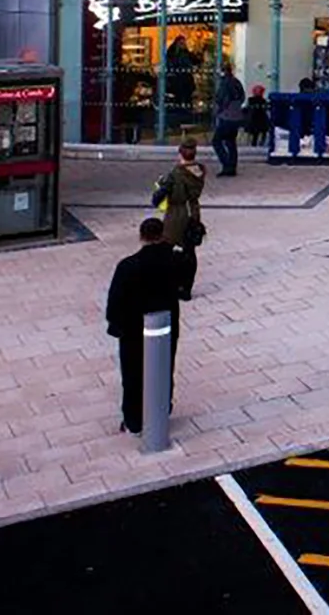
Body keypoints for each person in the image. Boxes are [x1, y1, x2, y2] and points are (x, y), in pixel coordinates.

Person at [105, 217, 179, 434]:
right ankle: (161, 411)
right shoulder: (174, 260)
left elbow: (115, 300)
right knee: (164, 369)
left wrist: (115, 324)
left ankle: (134, 420)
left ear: (141, 236)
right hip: (165, 326)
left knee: (133, 375)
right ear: (162, 235)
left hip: (134, 329)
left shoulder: (128, 266)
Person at [159, 139, 207, 300]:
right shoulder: (200, 170)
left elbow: (164, 196)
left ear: (180, 153)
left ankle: (169, 283)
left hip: (177, 213)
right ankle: (187, 288)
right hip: (193, 211)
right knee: (189, 251)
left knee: (166, 248)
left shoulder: (176, 173)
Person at [210, 61, 245, 178]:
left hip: (226, 116)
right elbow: (242, 97)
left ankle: (227, 165)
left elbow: (220, 99)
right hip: (237, 116)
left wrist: (218, 111)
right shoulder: (236, 82)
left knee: (216, 141)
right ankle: (232, 167)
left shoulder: (224, 83)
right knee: (231, 142)